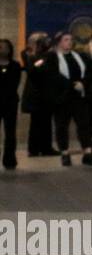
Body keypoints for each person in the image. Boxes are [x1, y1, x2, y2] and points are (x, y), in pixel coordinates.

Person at [47, 32, 92, 167]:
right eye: (66, 40)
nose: (69, 42)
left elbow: (89, 72)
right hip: (62, 98)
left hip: (79, 97)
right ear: (59, 42)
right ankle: (65, 154)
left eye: (71, 40)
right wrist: (71, 85)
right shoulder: (52, 57)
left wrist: (83, 83)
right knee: (62, 126)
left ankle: (87, 153)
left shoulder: (79, 56)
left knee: (84, 125)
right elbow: (53, 76)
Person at [20, 32, 55, 156]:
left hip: (46, 91)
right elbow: (32, 70)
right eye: (45, 40)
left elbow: (46, 69)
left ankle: (46, 148)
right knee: (36, 122)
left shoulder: (49, 54)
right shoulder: (27, 53)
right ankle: (34, 149)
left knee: (46, 121)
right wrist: (38, 63)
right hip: (35, 92)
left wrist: (38, 64)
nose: (48, 42)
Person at [0, 39, 21, 169]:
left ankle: (9, 160)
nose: (2, 50)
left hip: (10, 103)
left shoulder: (15, 65)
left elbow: (14, 84)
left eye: (4, 47)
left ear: (9, 50)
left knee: (10, 133)